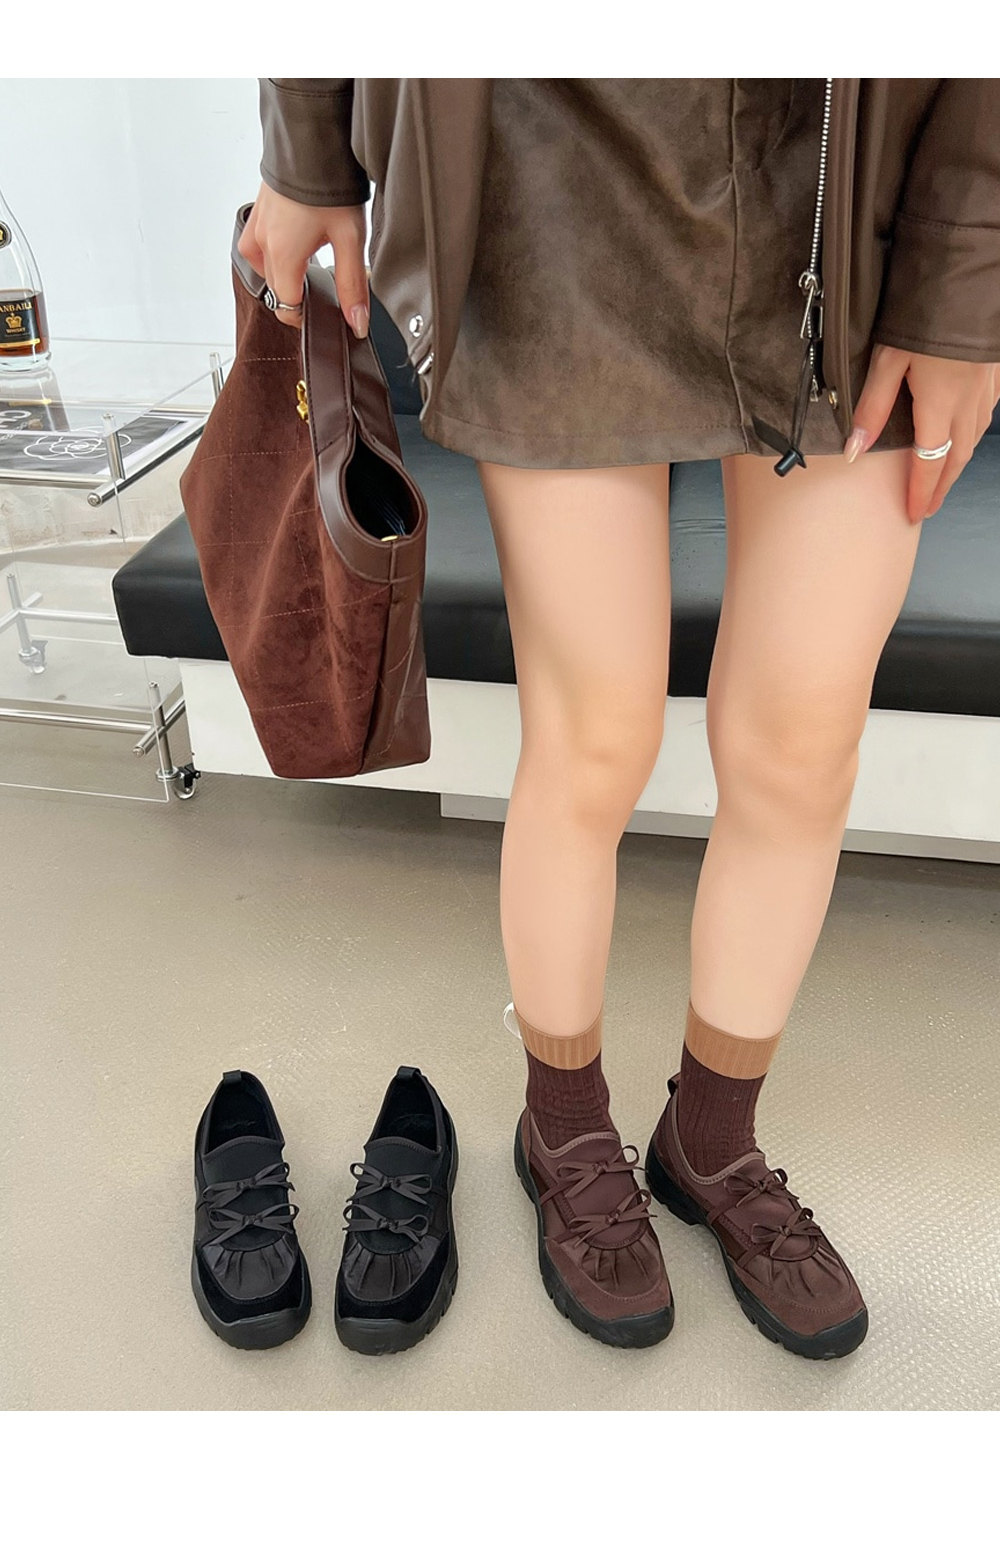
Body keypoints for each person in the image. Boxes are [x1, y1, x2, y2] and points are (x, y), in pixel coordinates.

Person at [243, 77, 1000, 1358]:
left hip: (839, 186)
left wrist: (969, 278)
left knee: (803, 745)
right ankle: (563, 1130)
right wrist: (309, 149)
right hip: (550, 175)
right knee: (593, 736)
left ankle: (712, 1141)